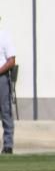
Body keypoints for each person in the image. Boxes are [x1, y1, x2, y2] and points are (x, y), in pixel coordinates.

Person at [0, 19, 16, 154]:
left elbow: (11, 61)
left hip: (1, 78)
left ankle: (8, 145)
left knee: (5, 111)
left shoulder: (4, 37)